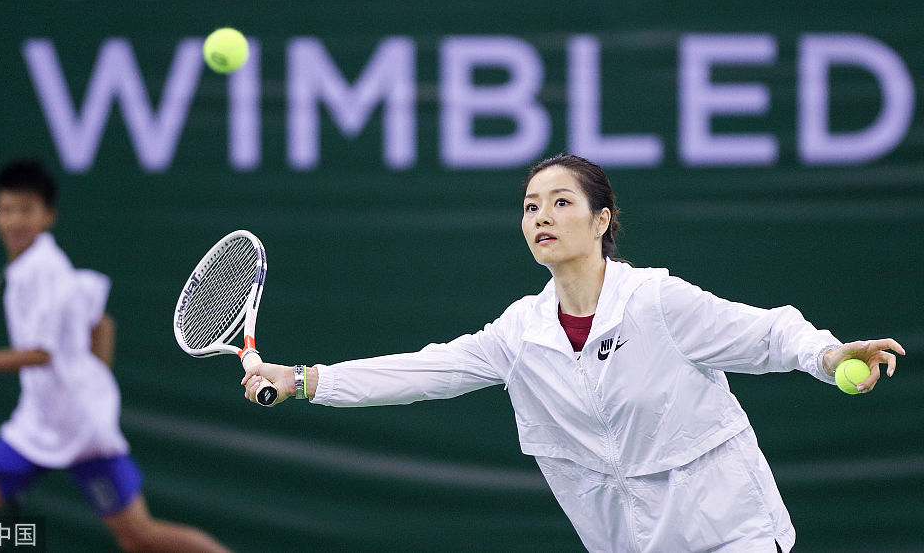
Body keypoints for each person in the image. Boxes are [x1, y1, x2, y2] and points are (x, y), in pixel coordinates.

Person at [241, 153, 904, 553]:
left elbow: (768, 334)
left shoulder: (657, 301)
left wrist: (827, 355)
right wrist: (303, 379)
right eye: (532, 207)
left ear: (601, 219)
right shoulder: (519, 333)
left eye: (562, 203)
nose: (543, 217)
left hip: (732, 534)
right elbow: (426, 370)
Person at [0, 159, 231, 553]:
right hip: (37, 421)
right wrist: (93, 378)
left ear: (48, 215)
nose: (15, 220)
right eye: (6, 209)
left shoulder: (47, 270)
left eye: (26, 209)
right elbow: (102, 323)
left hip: (80, 426)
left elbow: (41, 353)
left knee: (139, 537)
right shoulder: (27, 268)